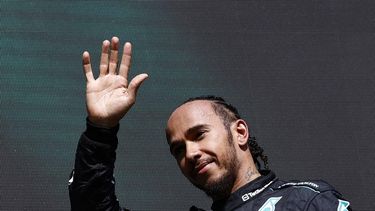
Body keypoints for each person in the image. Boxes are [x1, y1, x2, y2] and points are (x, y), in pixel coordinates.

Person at [69, 37, 351, 211]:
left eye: (199, 135)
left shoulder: (305, 202)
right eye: (178, 149)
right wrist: (100, 130)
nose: (190, 154)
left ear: (239, 132)